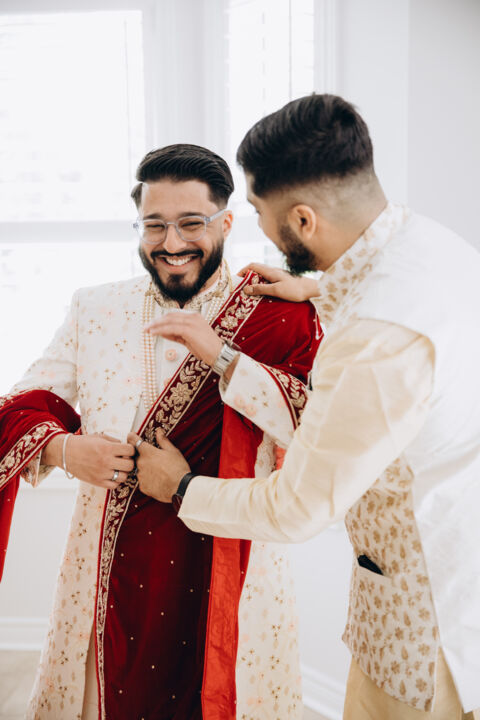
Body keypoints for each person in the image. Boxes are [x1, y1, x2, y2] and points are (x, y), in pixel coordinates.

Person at [134, 96, 480, 720]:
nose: (260, 229)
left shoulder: (376, 337)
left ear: (302, 219)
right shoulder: (434, 245)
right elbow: (386, 292)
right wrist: (320, 288)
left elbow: (295, 509)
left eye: (258, 213)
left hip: (428, 627)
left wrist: (180, 488)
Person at [0, 144, 322, 719]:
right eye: (154, 225)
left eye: (191, 223)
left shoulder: (276, 311)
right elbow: (19, 402)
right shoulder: (96, 308)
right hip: (105, 566)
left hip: (236, 557)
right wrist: (65, 450)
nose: (171, 243)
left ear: (226, 223)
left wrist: (221, 356)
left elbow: (315, 429)